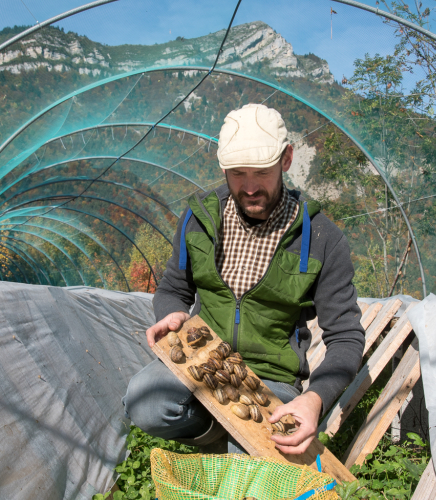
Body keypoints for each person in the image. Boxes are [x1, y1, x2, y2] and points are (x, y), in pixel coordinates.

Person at [123, 103, 365, 455]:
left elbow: (345, 336)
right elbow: (173, 288)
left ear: (286, 159)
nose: (250, 187)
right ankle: (221, 434)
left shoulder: (322, 238)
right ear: (223, 167)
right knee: (146, 402)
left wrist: (315, 399)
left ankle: (241, 443)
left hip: (271, 378)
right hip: (203, 360)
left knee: (258, 452)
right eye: (237, 173)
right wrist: (171, 313)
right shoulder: (199, 218)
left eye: (261, 172)